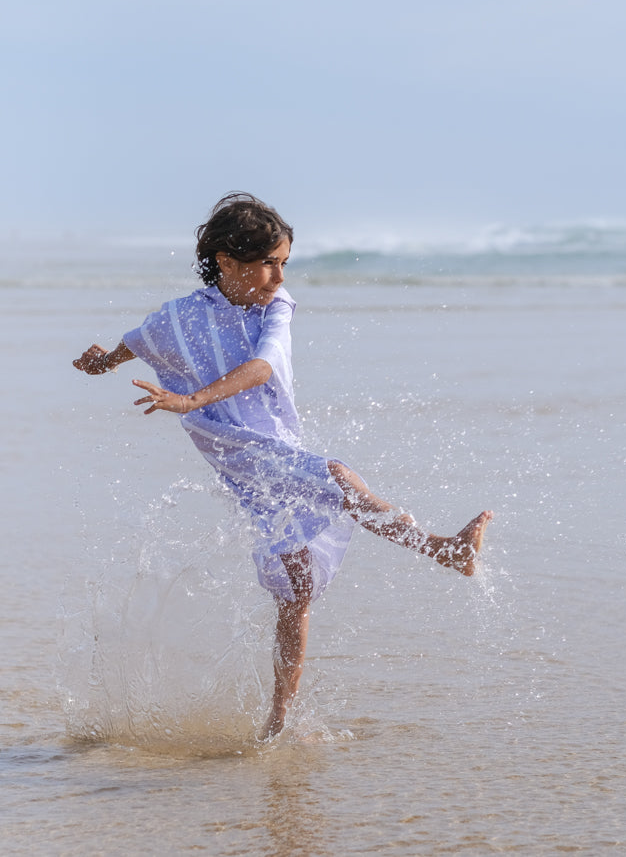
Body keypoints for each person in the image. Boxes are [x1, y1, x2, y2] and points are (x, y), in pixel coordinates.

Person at [73, 192, 493, 740]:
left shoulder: (276, 307)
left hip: (271, 446)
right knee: (339, 478)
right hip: (232, 446)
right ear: (226, 261)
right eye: (267, 263)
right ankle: (443, 549)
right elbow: (137, 341)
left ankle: (276, 723)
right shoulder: (179, 318)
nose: (277, 276)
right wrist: (101, 362)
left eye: (284, 263)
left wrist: (189, 398)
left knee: (295, 589)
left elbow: (262, 367)